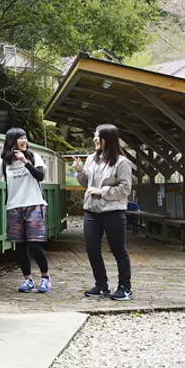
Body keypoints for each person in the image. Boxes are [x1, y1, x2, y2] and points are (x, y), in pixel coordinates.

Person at [0, 128, 50, 294]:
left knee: (35, 245)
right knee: (21, 246)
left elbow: (40, 176)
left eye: (25, 137)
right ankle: (28, 280)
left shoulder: (33, 157)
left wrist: (25, 161)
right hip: (14, 207)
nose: (25, 141)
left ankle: (45, 278)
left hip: (34, 204)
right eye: (21, 138)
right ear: (12, 141)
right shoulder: (4, 163)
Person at [73, 123, 133, 301]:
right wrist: (80, 171)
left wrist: (103, 192)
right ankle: (101, 285)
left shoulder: (122, 162)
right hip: (91, 211)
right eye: (95, 136)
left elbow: (125, 189)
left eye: (99, 136)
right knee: (92, 249)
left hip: (113, 212)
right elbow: (86, 183)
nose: (95, 139)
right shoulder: (91, 159)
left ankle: (125, 287)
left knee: (118, 250)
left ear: (109, 139)